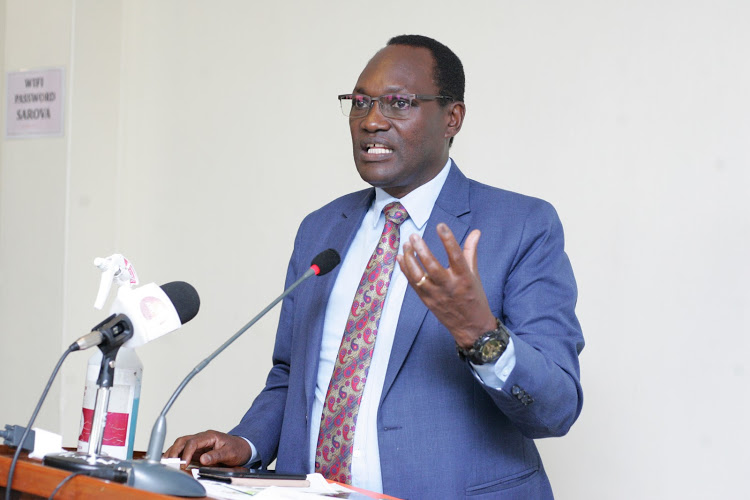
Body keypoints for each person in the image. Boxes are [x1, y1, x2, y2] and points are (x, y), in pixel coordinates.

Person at [166, 34, 584, 499]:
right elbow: (293, 377)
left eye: (398, 103)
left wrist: (480, 333)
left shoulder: (522, 226)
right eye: (359, 102)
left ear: (452, 118)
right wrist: (246, 443)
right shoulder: (321, 230)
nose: (371, 122)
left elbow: (556, 409)